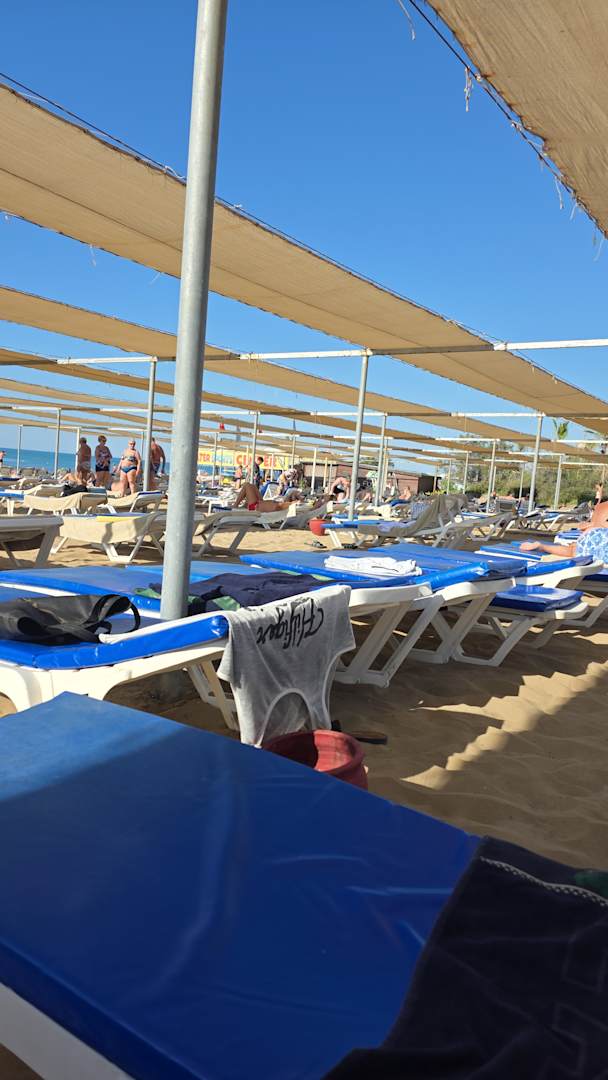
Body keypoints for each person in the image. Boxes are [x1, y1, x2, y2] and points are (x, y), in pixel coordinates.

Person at [233, 482, 302, 513]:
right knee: (252, 486)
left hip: (254, 507)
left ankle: (235, 505)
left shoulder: (283, 505)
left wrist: (293, 503)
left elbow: (281, 506)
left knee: (247, 485)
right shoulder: (282, 503)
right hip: (259, 503)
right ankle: (244, 505)